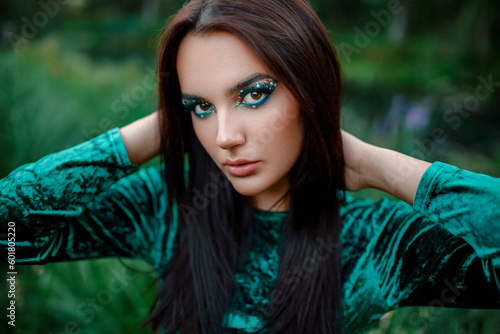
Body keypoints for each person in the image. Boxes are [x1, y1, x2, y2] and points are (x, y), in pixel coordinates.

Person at [1, 0, 499, 333]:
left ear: (311, 90)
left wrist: (376, 165)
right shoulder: (166, 207)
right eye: (200, 106)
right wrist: (154, 133)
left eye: (253, 94)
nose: (224, 137)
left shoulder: (376, 243)